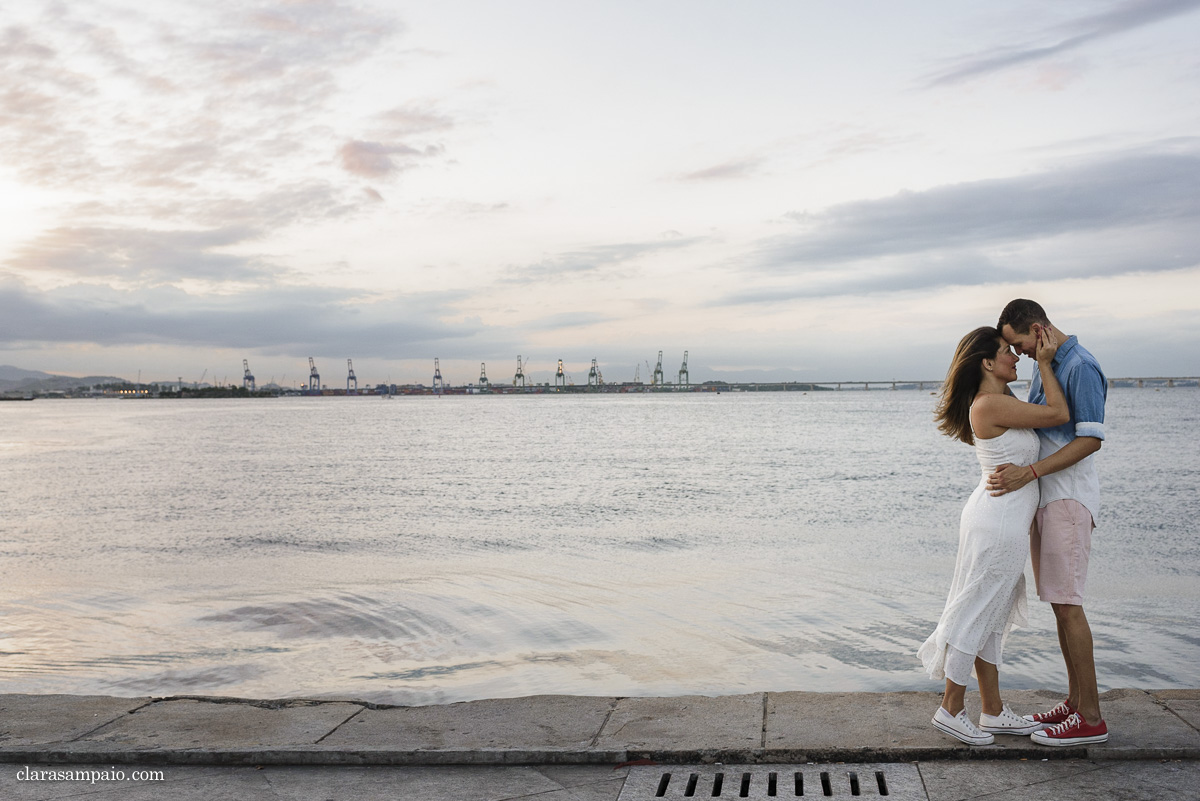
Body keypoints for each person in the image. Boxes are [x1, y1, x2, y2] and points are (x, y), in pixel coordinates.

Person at [918, 325, 1068, 745]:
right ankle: (950, 709)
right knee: (976, 611)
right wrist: (1044, 362)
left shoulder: (1004, 400)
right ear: (987, 362)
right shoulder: (988, 405)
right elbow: (1059, 413)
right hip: (997, 523)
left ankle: (994, 711)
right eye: (1008, 351)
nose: (1015, 357)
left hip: (1002, 519)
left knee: (991, 615)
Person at [990, 299, 1110, 746]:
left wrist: (1031, 472)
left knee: (1069, 604)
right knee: (1060, 604)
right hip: (1049, 501)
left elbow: (1091, 440)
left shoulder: (1079, 366)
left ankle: (1092, 718)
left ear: (1037, 329)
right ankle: (1076, 703)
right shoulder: (1049, 365)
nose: (1017, 353)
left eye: (1018, 343)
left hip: (1068, 499)